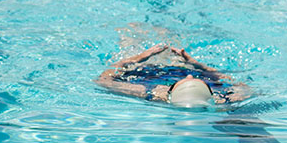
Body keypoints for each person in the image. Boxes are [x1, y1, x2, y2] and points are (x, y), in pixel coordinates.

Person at [95, 44, 250, 107]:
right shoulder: (225, 99)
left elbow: (103, 80)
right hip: (179, 68)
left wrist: (139, 57)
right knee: (174, 48)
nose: (189, 77)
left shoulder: (150, 92)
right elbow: (242, 86)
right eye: (196, 80)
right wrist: (197, 65)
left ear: (169, 92)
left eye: (183, 82)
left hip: (148, 72)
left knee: (130, 41)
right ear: (212, 93)